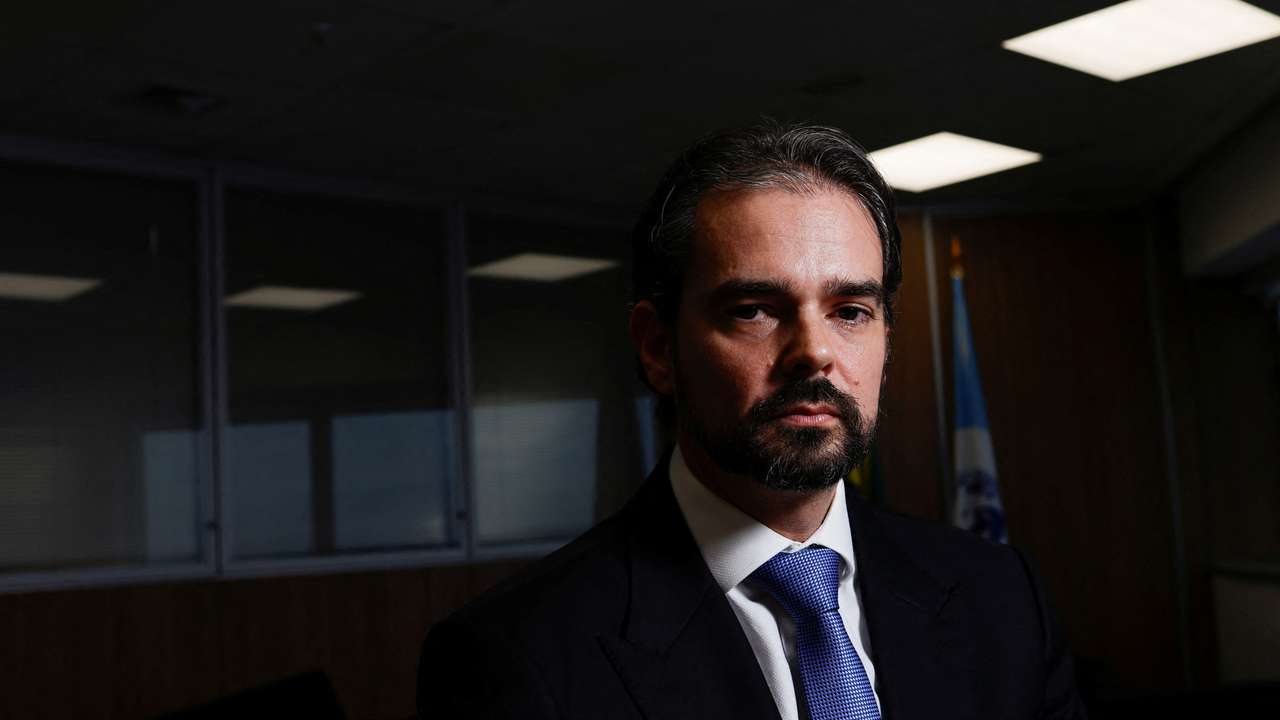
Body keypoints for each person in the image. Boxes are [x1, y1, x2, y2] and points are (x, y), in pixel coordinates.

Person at [417, 120, 1086, 720]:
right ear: (658, 347)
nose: (815, 353)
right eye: (754, 310)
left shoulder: (1002, 600)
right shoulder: (512, 657)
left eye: (850, 310)